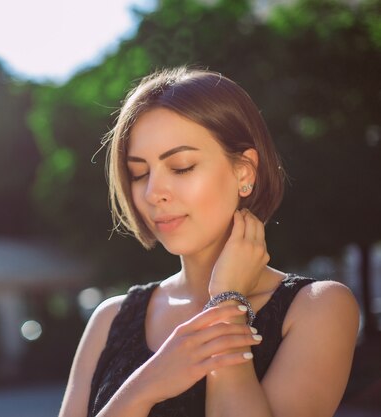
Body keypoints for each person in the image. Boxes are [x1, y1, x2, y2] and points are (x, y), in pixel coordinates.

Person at [58, 67, 359, 417]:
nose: (154, 193)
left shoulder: (318, 307)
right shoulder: (110, 319)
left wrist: (226, 302)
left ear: (244, 171)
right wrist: (144, 387)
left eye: (181, 166)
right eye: (139, 173)